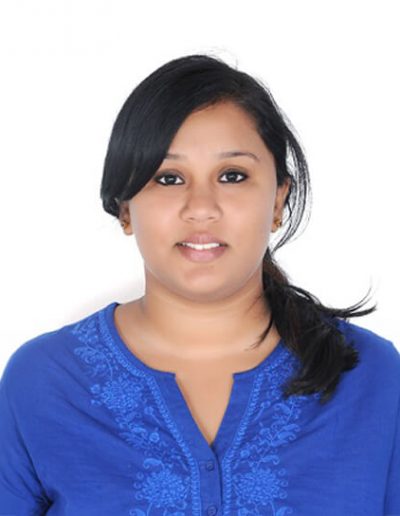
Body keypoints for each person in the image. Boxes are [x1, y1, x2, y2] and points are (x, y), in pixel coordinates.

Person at [0, 54, 398, 515]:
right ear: (125, 208)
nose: (202, 207)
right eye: (169, 178)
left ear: (278, 200)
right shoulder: (44, 382)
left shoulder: (372, 379)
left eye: (232, 176)